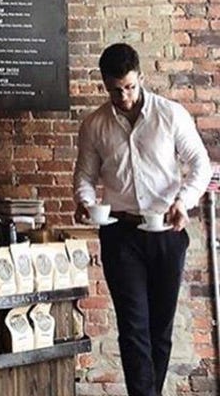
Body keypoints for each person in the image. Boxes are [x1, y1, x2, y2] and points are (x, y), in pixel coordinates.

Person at [73, 43, 211, 396]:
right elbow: (85, 176)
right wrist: (85, 202)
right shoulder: (94, 125)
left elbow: (200, 164)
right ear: (105, 85)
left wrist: (183, 201)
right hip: (120, 235)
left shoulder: (171, 115)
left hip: (167, 230)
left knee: (160, 330)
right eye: (115, 90)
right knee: (133, 328)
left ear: (141, 79)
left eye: (130, 87)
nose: (124, 97)